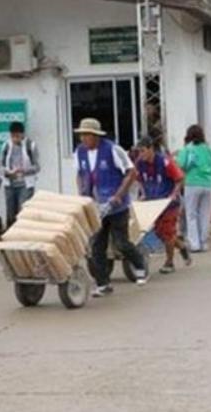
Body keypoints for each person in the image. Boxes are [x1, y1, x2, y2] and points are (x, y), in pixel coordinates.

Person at [74, 118, 147, 296]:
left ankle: (139, 265)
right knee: (97, 246)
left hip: (116, 205)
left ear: (96, 136)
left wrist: (119, 195)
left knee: (121, 243)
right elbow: (80, 174)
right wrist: (82, 194)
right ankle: (103, 284)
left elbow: (131, 172)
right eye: (81, 135)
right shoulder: (80, 152)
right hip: (95, 206)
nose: (83, 138)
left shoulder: (112, 149)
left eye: (86, 135)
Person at [135, 137, 191, 274]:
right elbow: (138, 179)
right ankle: (182, 246)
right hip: (153, 203)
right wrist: (142, 193)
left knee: (167, 231)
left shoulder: (165, 162)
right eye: (139, 152)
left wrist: (173, 194)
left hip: (169, 203)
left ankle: (169, 262)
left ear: (151, 149)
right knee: (160, 232)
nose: (141, 154)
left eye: (143, 151)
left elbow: (180, 178)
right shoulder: (140, 163)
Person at [177, 125, 211, 253]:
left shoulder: (187, 149)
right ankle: (204, 242)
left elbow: (179, 165)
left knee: (191, 214)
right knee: (205, 215)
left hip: (192, 184)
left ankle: (194, 244)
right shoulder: (208, 150)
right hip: (208, 184)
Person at [0, 121, 40, 228]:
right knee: (10, 212)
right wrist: (8, 172)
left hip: (25, 184)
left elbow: (37, 167)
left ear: (22, 134)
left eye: (17, 136)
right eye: (13, 136)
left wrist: (24, 170)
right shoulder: (6, 146)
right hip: (10, 183)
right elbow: (0, 165)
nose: (15, 139)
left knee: (23, 211)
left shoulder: (30, 146)